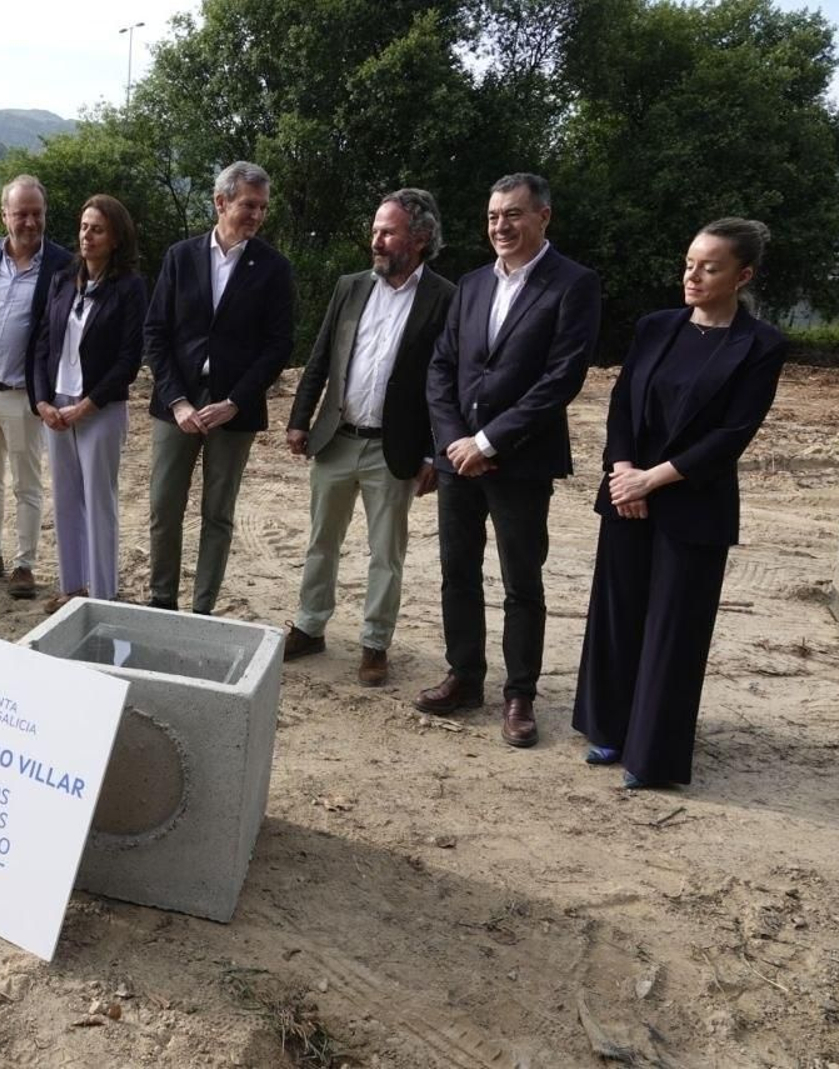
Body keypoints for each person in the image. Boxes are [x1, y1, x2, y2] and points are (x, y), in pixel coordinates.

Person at [573, 219, 786, 788]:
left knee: (673, 632)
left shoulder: (760, 345)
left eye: (709, 267)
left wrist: (653, 481)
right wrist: (624, 473)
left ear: (742, 276)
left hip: (692, 505)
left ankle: (652, 756)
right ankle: (609, 730)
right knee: (617, 618)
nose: (692, 275)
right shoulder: (655, 327)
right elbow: (620, 405)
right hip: (625, 495)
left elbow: (732, 435)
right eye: (690, 262)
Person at [420, 173, 600, 748]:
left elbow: (559, 379)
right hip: (457, 461)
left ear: (543, 217)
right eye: (494, 215)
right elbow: (442, 367)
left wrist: (489, 442)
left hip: (519, 461)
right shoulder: (470, 284)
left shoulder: (574, 284)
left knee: (522, 580)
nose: (502, 225)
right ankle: (464, 676)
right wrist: (455, 441)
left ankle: (519, 692)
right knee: (458, 573)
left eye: (514, 214)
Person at [283, 190, 456, 683]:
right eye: (375, 230)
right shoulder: (350, 286)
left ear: (419, 239)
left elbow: (449, 382)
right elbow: (320, 358)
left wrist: (434, 452)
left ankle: (375, 643)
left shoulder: (445, 298)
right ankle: (310, 625)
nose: (375, 240)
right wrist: (300, 419)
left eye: (387, 232)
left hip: (394, 449)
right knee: (321, 541)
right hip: (336, 438)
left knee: (386, 552)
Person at [144, 161, 295, 615]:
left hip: (234, 408)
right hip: (178, 403)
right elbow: (156, 333)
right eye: (249, 205)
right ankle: (162, 599)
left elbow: (278, 346)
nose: (257, 215)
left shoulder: (273, 268)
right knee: (163, 507)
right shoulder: (180, 256)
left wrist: (235, 402)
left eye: (263, 208)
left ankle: (203, 607)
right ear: (220, 201)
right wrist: (177, 401)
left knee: (219, 513)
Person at [31, 194, 147, 613]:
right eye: (83, 227)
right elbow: (44, 342)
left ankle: (103, 594)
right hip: (56, 405)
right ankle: (72, 586)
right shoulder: (63, 280)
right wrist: (42, 400)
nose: (87, 236)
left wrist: (89, 404)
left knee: (99, 500)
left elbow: (129, 359)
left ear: (116, 238)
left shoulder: (130, 288)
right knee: (64, 498)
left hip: (100, 409)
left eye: (97, 229)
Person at [0, 175, 73, 599]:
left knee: (27, 483)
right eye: (20, 213)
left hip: (25, 394)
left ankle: (24, 565)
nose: (29, 222)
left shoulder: (63, 264)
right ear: (3, 214)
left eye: (36, 214)